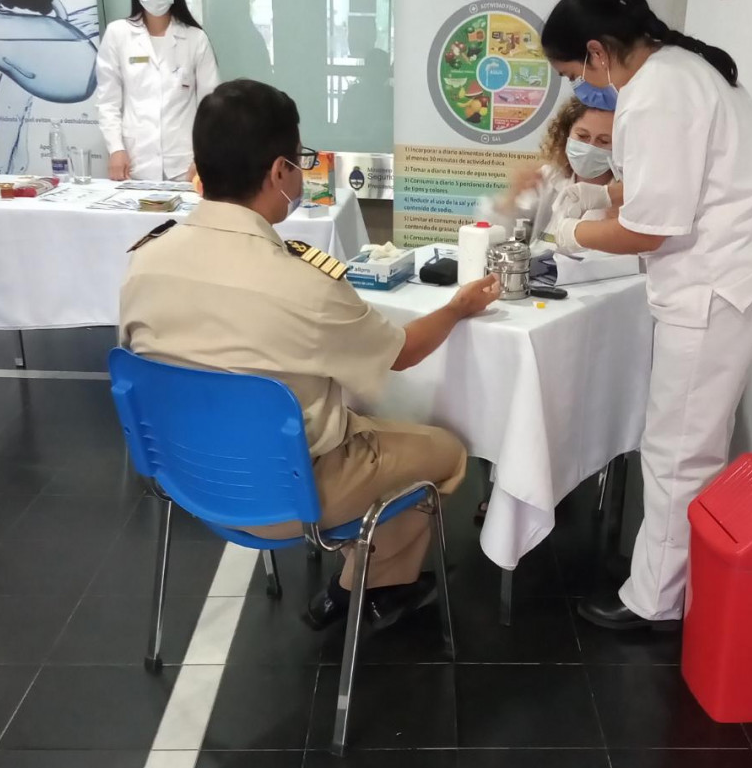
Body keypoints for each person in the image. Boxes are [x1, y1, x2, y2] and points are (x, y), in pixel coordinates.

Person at [119, 79, 500, 630]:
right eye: (299, 161)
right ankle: (365, 587)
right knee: (445, 451)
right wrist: (458, 307)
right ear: (279, 172)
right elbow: (401, 354)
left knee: (359, 424)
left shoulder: (144, 262)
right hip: (287, 492)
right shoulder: (303, 284)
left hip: (185, 475)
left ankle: (371, 574)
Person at [541, 0, 752, 630]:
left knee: (678, 450)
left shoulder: (655, 93)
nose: (580, 89)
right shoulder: (681, 69)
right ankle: (676, 589)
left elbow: (650, 231)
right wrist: (603, 200)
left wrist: (573, 232)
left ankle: (656, 604)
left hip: (712, 287)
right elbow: (664, 187)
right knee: (689, 442)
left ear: (597, 52)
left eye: (573, 74)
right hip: (734, 275)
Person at [96, 0, 220, 182]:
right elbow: (108, 102)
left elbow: (211, 108)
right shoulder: (117, 34)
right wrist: (116, 149)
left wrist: (203, 157)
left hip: (185, 165)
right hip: (134, 163)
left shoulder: (195, 38)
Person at [491, 97, 618, 249]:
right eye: (582, 136)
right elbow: (502, 237)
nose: (590, 147)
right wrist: (511, 199)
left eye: (603, 141)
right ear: (567, 134)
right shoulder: (548, 178)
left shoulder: (624, 194)